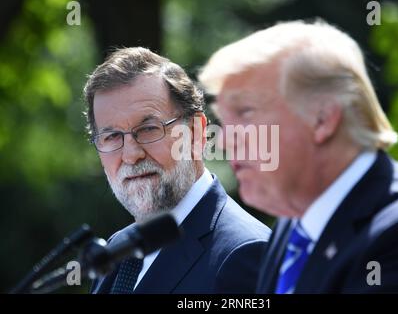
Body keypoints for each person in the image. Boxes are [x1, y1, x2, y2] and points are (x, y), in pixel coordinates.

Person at [199, 20, 398, 293]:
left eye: (245, 112)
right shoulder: (294, 226)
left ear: (323, 118)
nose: (224, 140)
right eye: (225, 119)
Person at [83, 47, 270, 294]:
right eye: (112, 136)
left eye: (149, 129)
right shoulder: (118, 250)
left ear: (196, 132)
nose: (130, 154)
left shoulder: (246, 252)